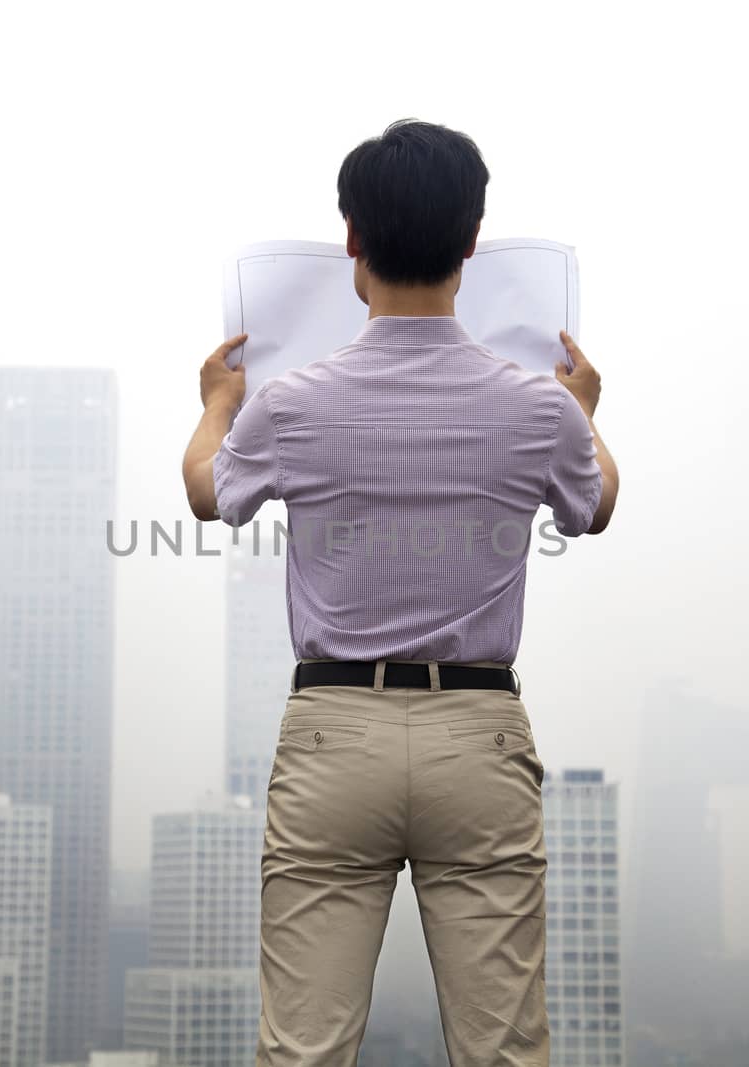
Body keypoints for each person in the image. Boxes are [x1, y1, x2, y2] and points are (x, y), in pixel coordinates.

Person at [180, 118, 619, 1067]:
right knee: (504, 1049)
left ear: (351, 241)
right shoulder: (536, 406)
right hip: (478, 734)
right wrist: (583, 414)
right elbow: (596, 507)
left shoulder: (290, 402)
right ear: (471, 243)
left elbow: (209, 495)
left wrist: (220, 404)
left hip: (334, 730)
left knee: (304, 1047)